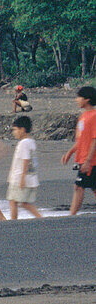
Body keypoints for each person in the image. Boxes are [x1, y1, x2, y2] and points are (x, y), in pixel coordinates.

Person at [61, 85, 96, 215]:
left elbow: (94, 140)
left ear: (86, 99)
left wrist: (87, 161)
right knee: (93, 187)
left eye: (79, 97)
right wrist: (70, 153)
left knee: (78, 186)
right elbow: (81, 140)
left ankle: (71, 215)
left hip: (91, 161)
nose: (77, 100)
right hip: (84, 159)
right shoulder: (83, 116)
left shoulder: (93, 116)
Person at [6, 115, 43, 220]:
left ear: (22, 130)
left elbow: (26, 160)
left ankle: (14, 222)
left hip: (20, 178)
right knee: (20, 202)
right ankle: (15, 221)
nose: (14, 132)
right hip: (30, 178)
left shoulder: (23, 143)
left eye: (15, 130)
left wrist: (22, 179)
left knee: (17, 201)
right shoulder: (31, 141)